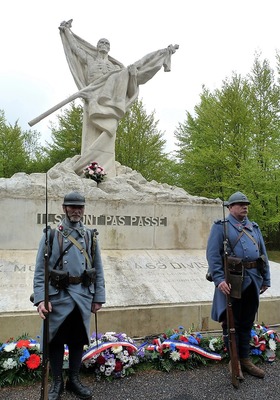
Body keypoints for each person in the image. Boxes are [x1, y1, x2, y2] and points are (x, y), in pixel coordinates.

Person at [58, 19, 179, 177]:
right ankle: (89, 167)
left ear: (109, 48)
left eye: (106, 43)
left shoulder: (116, 69)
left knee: (127, 72)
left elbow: (137, 71)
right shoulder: (89, 60)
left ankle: (100, 167)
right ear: (97, 46)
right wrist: (67, 32)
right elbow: (75, 48)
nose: (103, 44)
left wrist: (162, 53)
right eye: (101, 42)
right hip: (93, 97)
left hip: (109, 105)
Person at [33, 191, 105, 400]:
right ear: (64, 209)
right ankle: (57, 383)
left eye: (80, 207)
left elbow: (98, 268)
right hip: (58, 296)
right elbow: (40, 270)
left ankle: (74, 380)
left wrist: (98, 296)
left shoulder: (90, 236)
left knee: (77, 340)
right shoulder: (51, 235)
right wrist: (41, 299)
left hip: (83, 295)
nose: (76, 210)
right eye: (72, 207)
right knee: (55, 341)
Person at [206, 191, 271, 380]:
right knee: (231, 323)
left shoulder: (253, 227)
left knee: (247, 321)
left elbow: (263, 254)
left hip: (253, 280)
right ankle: (233, 361)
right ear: (230, 207)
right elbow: (213, 255)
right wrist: (219, 280)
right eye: (240, 204)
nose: (245, 206)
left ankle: (245, 359)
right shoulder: (221, 227)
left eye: (246, 204)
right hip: (233, 282)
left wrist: (266, 278)